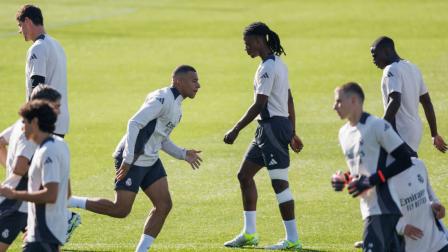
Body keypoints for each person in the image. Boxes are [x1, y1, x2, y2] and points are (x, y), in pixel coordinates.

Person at [68, 65, 202, 251]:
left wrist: (183, 153)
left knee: (163, 205)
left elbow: (159, 138)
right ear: (179, 82)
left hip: (151, 160)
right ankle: (69, 202)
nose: (198, 85)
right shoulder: (162, 99)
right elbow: (134, 123)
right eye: (194, 81)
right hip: (132, 160)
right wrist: (128, 158)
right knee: (121, 210)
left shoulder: (177, 107)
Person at [223, 22, 303, 250]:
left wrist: (236, 129)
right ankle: (249, 234)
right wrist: (292, 131)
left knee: (280, 184)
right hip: (269, 130)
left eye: (248, 44)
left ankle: (293, 239)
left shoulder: (268, 68)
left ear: (259, 41)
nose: (246, 48)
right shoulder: (279, 63)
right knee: (244, 176)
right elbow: (289, 99)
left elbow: (260, 104)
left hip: (272, 130)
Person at [331, 82, 415, 252]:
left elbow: (405, 159)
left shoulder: (377, 126)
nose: (334, 106)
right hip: (370, 209)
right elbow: (363, 169)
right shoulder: (343, 133)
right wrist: (345, 178)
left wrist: (372, 180)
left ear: (353, 100)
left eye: (339, 101)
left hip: (386, 209)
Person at [0, 86, 79, 251]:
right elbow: (66, 192)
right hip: (45, 229)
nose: (22, 127)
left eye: (26, 123)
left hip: (42, 230)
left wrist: (13, 193)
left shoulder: (47, 151)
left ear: (35, 121)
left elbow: (51, 194)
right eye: (55, 107)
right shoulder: (60, 144)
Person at [370, 36, 447, 154]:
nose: (373, 60)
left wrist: (382, 127)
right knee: (408, 167)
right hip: (414, 132)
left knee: (395, 168)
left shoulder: (391, 69)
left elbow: (395, 101)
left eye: (375, 55)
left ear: (386, 51)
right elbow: (427, 102)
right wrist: (434, 134)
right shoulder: (413, 67)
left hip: (400, 132)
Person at [16, 4, 69, 137]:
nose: (20, 30)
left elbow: (37, 88)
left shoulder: (38, 48)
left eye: (20, 25)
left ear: (27, 21)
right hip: (60, 120)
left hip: (44, 122)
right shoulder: (57, 45)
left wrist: (28, 119)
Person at [390, 158, 448, 252]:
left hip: (438, 242)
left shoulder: (418, 164)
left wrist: (437, 206)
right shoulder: (385, 178)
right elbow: (381, 215)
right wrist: (401, 227)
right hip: (412, 247)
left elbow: (430, 194)